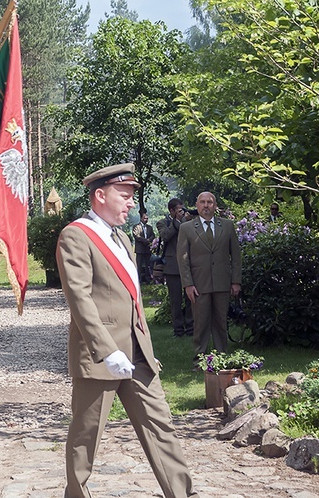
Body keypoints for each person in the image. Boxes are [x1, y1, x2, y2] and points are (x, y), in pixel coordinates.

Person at [56, 163, 199, 498]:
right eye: (125, 195)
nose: (131, 202)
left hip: (137, 353)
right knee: (85, 436)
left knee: (161, 426)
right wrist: (106, 350)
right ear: (100, 195)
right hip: (101, 356)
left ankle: (183, 493)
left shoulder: (121, 237)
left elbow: (131, 299)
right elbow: (80, 300)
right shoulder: (76, 236)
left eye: (132, 195)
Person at [176, 191, 241, 369]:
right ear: (197, 205)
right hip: (199, 284)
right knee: (201, 323)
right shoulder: (187, 228)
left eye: (210, 202)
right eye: (202, 202)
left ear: (215, 205)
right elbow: (182, 259)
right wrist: (187, 284)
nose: (206, 205)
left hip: (222, 283)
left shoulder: (227, 226)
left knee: (221, 322)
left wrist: (236, 281)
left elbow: (235, 256)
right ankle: (200, 360)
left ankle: (222, 358)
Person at [156, 198, 194, 338]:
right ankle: (178, 330)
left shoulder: (188, 221)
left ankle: (191, 328)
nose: (181, 212)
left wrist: (184, 220)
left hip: (188, 265)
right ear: (171, 210)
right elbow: (165, 236)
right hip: (172, 267)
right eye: (178, 210)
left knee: (191, 299)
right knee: (175, 300)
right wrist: (176, 221)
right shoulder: (162, 223)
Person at [131, 209, 155, 283]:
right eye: (145, 218)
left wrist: (149, 240)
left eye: (147, 218)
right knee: (139, 265)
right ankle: (139, 279)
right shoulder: (136, 226)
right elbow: (136, 236)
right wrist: (145, 240)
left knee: (148, 264)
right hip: (140, 249)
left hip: (148, 249)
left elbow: (153, 235)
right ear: (141, 218)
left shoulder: (149, 227)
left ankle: (148, 279)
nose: (146, 220)